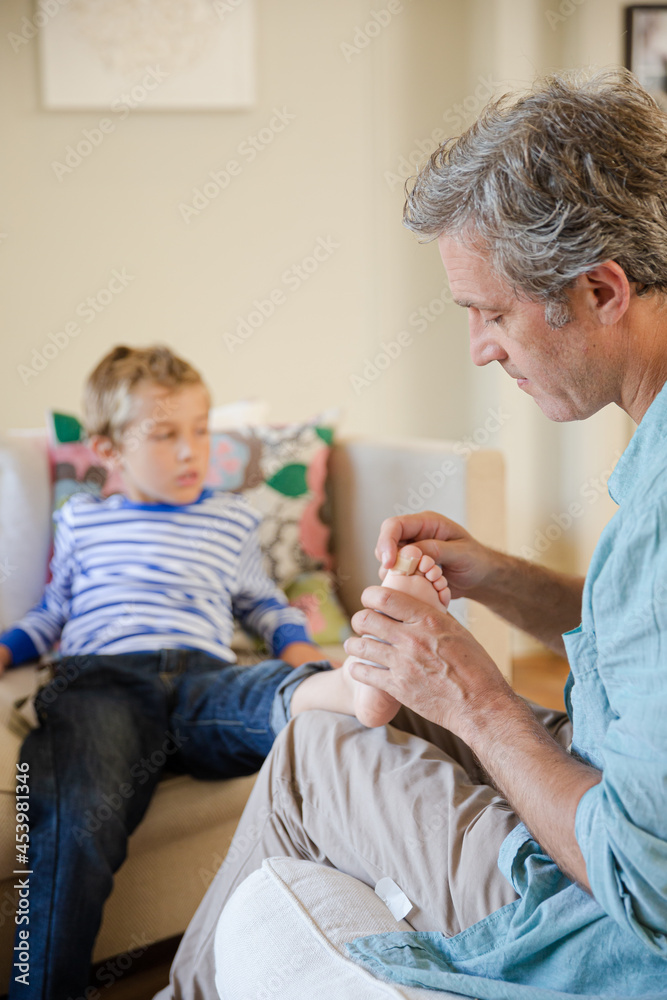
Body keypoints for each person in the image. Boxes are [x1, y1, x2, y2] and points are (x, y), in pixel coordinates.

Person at [158, 68, 667, 999]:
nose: (480, 347)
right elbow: (639, 650)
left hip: (603, 922)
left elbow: (648, 886)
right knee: (351, 721)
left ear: (601, 290)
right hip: (607, 786)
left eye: (490, 312)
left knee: (316, 749)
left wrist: (471, 692)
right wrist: (495, 576)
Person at [1, 344, 449, 999]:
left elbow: (264, 606)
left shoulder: (229, 520)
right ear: (106, 451)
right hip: (101, 680)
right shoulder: (82, 520)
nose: (191, 451)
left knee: (259, 693)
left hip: (200, 681)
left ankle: (344, 686)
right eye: (164, 435)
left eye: (200, 430)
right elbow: (50, 614)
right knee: (76, 817)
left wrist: (302, 652)